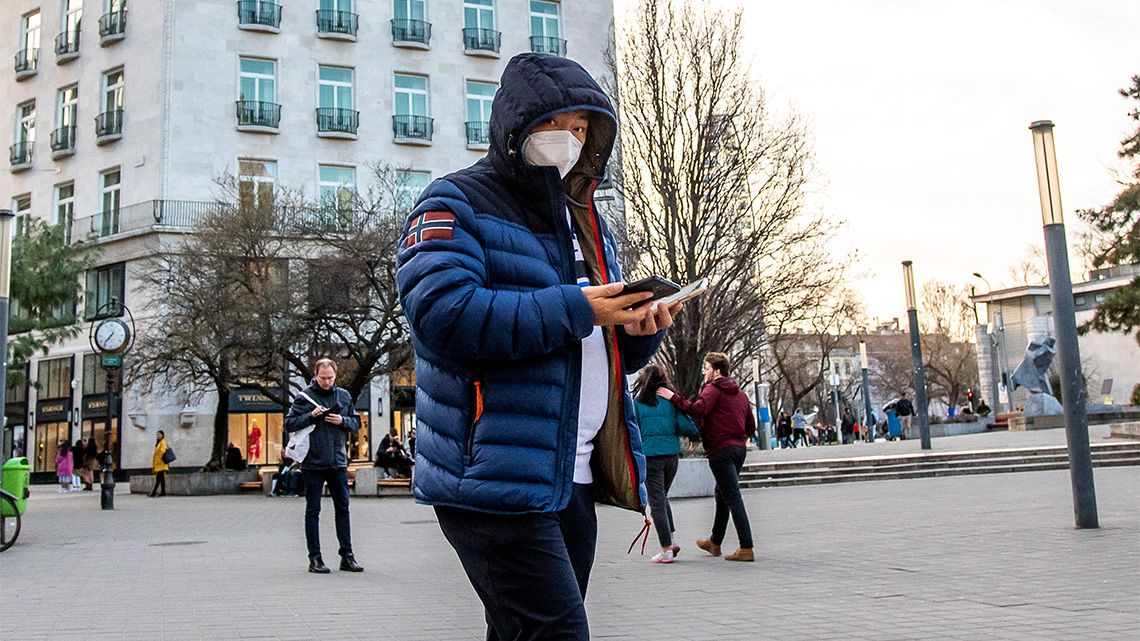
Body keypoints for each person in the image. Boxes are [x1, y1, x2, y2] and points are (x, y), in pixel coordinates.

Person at [396, 52, 678, 639]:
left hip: (567, 473)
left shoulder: (584, 220)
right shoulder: (454, 201)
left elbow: (584, 349)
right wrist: (579, 307)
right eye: (558, 125)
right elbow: (443, 314)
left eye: (582, 130)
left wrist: (636, 334)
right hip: (494, 476)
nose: (570, 141)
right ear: (517, 127)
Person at [657, 352, 756, 562]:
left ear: (717, 371)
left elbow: (698, 409)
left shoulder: (713, 389)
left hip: (721, 450)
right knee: (722, 494)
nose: (704, 372)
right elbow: (751, 426)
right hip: (739, 450)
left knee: (732, 497)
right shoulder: (740, 394)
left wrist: (672, 397)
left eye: (707, 368)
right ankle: (715, 542)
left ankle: (746, 547)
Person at [284, 358, 363, 574]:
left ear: (335, 375)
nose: (327, 382)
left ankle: (347, 556)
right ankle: (315, 559)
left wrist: (342, 421)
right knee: (313, 510)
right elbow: (289, 423)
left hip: (337, 461)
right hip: (313, 463)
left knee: (343, 509)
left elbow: (356, 423)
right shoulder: (304, 398)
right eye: (323, 378)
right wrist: (311, 416)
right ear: (315, 375)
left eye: (330, 378)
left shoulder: (344, 396)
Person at [632, 364, 700, 564]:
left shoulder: (637, 403)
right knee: (662, 498)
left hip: (651, 457)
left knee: (657, 503)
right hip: (671, 457)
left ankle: (666, 549)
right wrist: (694, 436)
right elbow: (685, 424)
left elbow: (631, 429)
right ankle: (671, 539)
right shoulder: (669, 401)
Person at [149, 431, 168, 497]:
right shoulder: (159, 442)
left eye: (159, 434)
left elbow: (163, 450)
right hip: (159, 464)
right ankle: (162, 493)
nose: (158, 436)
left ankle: (154, 493)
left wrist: (159, 458)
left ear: (162, 435)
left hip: (161, 464)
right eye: (157, 434)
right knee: (160, 479)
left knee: (158, 479)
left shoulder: (163, 442)